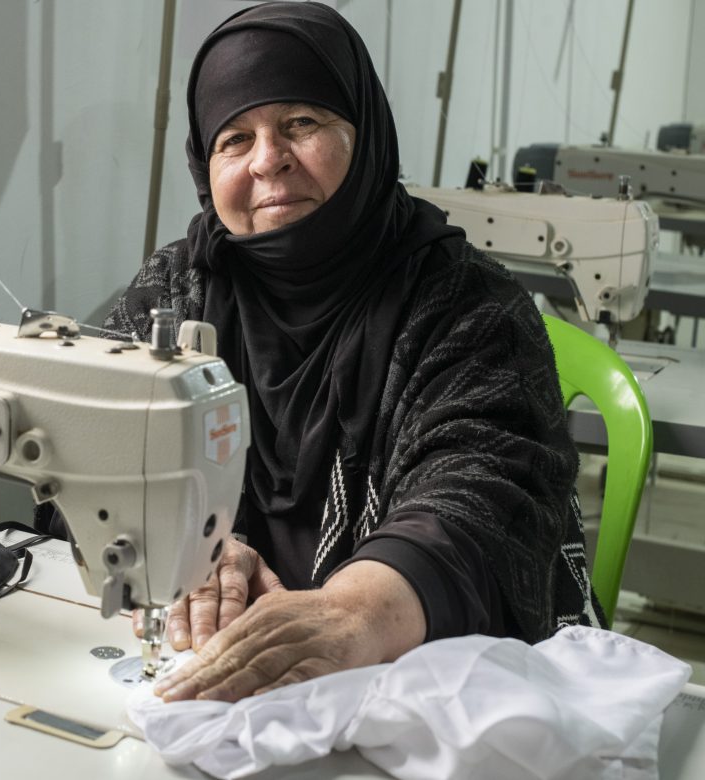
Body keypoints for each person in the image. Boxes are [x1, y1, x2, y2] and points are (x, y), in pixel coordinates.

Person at [94, 1, 600, 703]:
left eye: (300, 124)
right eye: (234, 139)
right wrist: (193, 550)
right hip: (219, 669)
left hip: (429, 681)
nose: (269, 160)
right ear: (203, 165)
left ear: (364, 134)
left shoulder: (469, 305)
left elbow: (486, 491)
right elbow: (94, 450)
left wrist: (353, 614)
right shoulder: (174, 288)